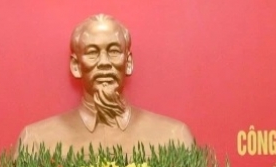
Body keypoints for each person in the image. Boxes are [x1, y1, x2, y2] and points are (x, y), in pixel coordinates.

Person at [17, 14, 195, 151]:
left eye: (114, 51)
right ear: (76, 65)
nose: (104, 62)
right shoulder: (36, 142)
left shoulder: (174, 138)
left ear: (129, 63)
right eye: (92, 52)